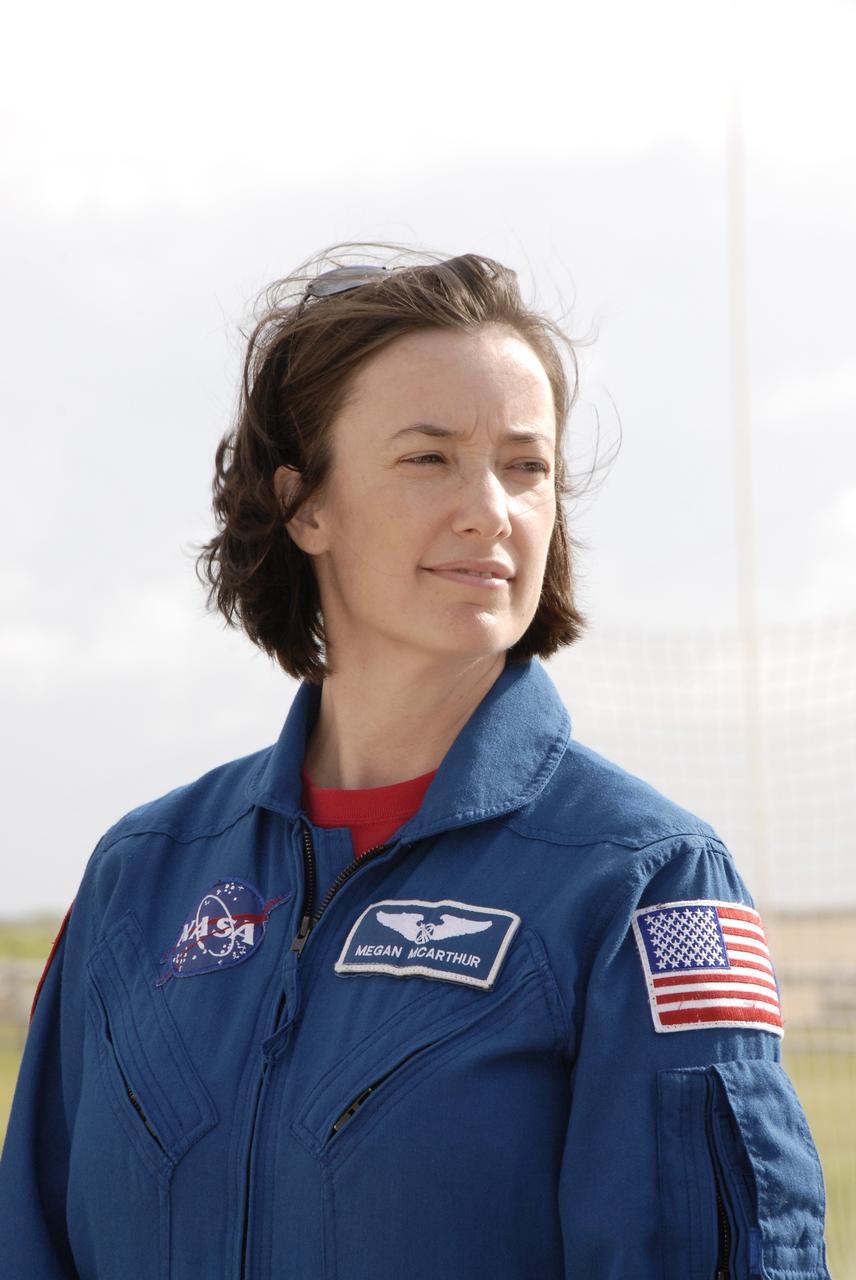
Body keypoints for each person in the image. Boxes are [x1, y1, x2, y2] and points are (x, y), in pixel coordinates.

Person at [0, 243, 830, 1279]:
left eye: (525, 465)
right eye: (428, 456)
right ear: (306, 503)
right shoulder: (140, 876)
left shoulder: (641, 880)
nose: (491, 507)